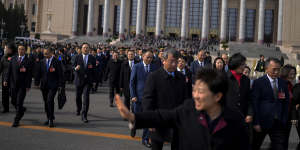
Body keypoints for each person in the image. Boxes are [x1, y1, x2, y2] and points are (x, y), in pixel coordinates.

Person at [115, 68, 249, 150]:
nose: (195, 95)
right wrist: (133, 117)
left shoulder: (236, 121)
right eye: (194, 90)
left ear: (217, 96)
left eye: (200, 91)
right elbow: (163, 116)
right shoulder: (188, 109)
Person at [142, 49, 188, 150]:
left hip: (176, 121)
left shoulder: (181, 77)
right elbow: (147, 100)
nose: (174, 64)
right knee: (157, 147)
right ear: (163, 60)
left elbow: (186, 99)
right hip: (158, 121)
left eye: (176, 61)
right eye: (172, 61)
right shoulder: (154, 77)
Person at [252, 57, 290, 150]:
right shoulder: (258, 82)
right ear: (266, 69)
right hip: (262, 122)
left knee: (279, 146)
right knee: (254, 145)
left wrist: (284, 119)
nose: (276, 72)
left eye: (278, 69)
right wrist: (256, 122)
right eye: (274, 69)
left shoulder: (282, 83)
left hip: (278, 122)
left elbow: (286, 102)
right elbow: (254, 103)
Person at [129, 50, 157, 148]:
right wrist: (133, 96)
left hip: (149, 99)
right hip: (138, 98)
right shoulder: (136, 67)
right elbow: (132, 82)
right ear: (142, 56)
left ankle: (145, 139)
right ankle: (133, 127)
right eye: (148, 57)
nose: (149, 59)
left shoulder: (154, 67)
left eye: (151, 57)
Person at [4, 44, 33, 127]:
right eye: (19, 49)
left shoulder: (28, 61)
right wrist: (6, 80)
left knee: (19, 102)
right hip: (13, 84)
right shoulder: (13, 59)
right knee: (13, 101)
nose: (21, 50)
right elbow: (9, 71)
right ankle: (22, 110)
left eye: (23, 49)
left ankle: (17, 119)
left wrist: (28, 85)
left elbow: (29, 74)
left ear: (25, 50)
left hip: (22, 85)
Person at [35, 47, 64, 127]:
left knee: (49, 100)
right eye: (44, 52)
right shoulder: (41, 62)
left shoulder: (57, 62)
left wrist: (61, 85)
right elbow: (38, 73)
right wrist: (36, 83)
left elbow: (60, 74)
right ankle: (48, 117)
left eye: (47, 53)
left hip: (53, 85)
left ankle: (51, 119)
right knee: (46, 102)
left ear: (51, 53)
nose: (45, 54)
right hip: (44, 85)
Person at [73, 43, 97, 123]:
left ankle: (84, 115)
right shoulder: (77, 57)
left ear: (89, 49)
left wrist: (94, 81)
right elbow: (72, 66)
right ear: (81, 49)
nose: (85, 49)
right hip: (79, 80)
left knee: (86, 98)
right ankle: (78, 108)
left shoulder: (92, 58)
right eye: (84, 47)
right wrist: (75, 68)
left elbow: (94, 71)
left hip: (88, 81)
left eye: (87, 48)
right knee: (78, 97)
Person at [279, 64, 296, 149]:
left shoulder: (290, 85)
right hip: (280, 118)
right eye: (291, 74)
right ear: (285, 73)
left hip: (287, 117)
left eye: (294, 74)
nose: (293, 76)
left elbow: (292, 102)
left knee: (285, 140)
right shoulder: (280, 84)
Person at [0, 43, 16, 113]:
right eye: (5, 49)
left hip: (13, 79)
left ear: (10, 50)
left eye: (6, 49)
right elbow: (0, 68)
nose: (5, 50)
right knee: (4, 94)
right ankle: (5, 108)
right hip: (5, 79)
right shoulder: (3, 57)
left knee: (13, 95)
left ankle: (18, 106)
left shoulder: (15, 57)